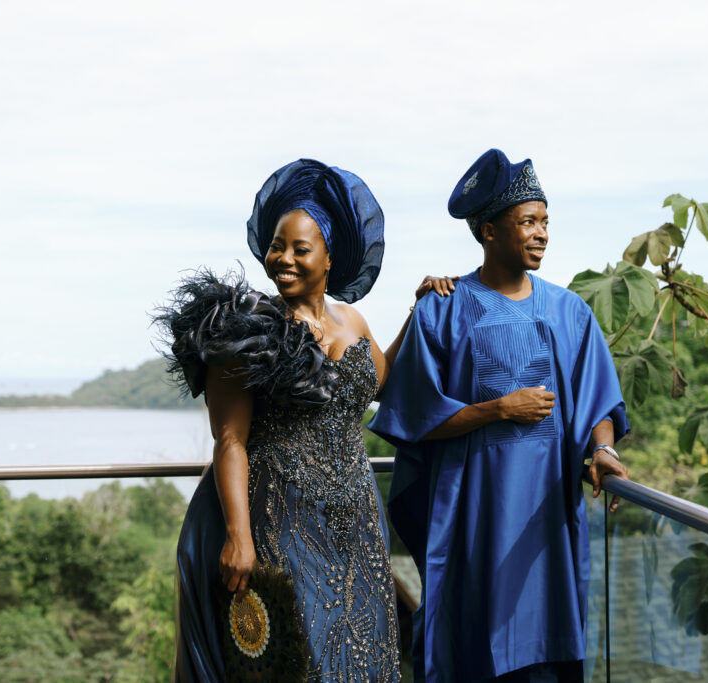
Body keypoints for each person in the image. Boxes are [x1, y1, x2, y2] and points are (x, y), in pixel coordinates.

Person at [156, 158, 455, 682]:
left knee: (365, 648)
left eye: (299, 248)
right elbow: (229, 441)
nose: (283, 258)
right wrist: (238, 536)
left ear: (329, 255)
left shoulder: (352, 319)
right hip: (285, 519)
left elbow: (381, 384)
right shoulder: (246, 330)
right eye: (277, 245)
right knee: (304, 656)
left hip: (358, 517)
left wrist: (418, 311)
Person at [369, 149, 630, 682]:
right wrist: (497, 409)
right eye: (527, 222)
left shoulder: (570, 313)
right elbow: (415, 419)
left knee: (547, 643)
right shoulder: (442, 308)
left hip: (546, 521)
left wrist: (603, 448)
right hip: (473, 517)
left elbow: (600, 399)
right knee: (470, 644)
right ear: (490, 231)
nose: (541, 234)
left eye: (545, 222)